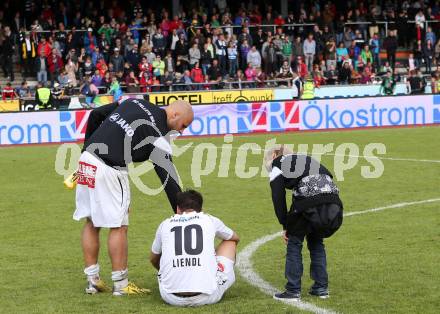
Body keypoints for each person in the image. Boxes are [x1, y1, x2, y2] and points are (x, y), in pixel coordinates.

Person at [72, 99, 194, 296]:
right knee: (119, 225)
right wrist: (183, 212)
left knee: (92, 221)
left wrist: (86, 150)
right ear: (174, 115)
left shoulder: (133, 101)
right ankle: (121, 284)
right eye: (183, 126)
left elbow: (95, 115)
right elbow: (168, 179)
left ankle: (92, 280)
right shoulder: (158, 134)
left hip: (87, 160)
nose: (181, 131)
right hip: (109, 168)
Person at [266, 145, 343, 301]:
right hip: (333, 200)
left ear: (274, 155)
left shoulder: (277, 164)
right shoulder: (305, 159)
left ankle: (293, 290)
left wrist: (285, 225)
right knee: (316, 241)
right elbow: (328, 176)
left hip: (309, 199)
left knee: (294, 242)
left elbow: (278, 197)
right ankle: (321, 288)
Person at [150, 189, 239, 307]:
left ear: (177, 209)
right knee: (230, 242)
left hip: (170, 297)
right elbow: (234, 237)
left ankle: (175, 280)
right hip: (206, 297)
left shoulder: (165, 224)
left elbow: (153, 258)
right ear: (201, 210)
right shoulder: (209, 219)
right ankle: (211, 278)